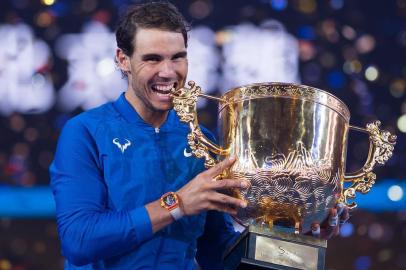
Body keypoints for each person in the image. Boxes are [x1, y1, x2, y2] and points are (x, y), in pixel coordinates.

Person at [50, 2, 348, 269]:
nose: (168, 72)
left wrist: (294, 233)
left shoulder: (199, 139)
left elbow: (217, 254)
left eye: (177, 57)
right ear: (122, 59)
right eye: (152, 59)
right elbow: (79, 241)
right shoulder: (85, 132)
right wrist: (176, 204)